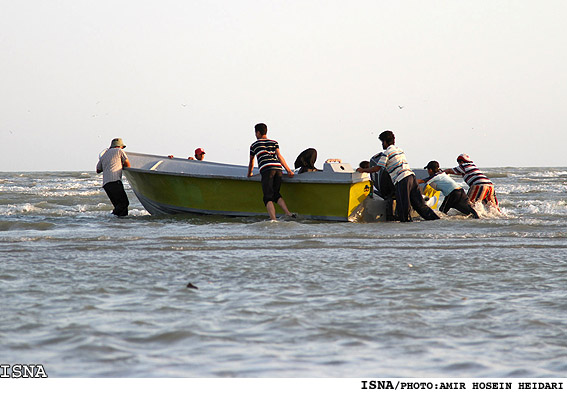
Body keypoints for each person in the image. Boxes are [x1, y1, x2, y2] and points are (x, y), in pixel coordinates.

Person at [356, 130, 439, 222]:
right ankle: (435, 220)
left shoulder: (387, 153)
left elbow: (377, 168)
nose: (382, 145)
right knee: (420, 205)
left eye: (382, 142)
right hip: (412, 177)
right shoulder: (400, 150)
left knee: (403, 207)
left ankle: (405, 229)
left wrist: (363, 170)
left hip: (402, 180)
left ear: (384, 142)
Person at [247, 123, 295, 221]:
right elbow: (279, 156)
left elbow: (251, 161)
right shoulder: (274, 142)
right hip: (278, 168)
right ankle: (288, 213)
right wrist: (289, 171)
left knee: (267, 197)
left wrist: (249, 174)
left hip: (267, 169)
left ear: (258, 132)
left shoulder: (254, 145)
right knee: (276, 194)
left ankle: (273, 219)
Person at [96, 138, 130, 216]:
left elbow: (98, 170)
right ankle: (111, 216)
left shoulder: (104, 155)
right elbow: (127, 164)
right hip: (115, 181)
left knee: (119, 206)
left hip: (106, 184)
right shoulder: (120, 151)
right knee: (124, 203)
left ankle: (119, 224)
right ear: (120, 146)